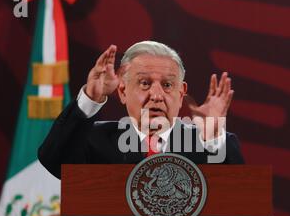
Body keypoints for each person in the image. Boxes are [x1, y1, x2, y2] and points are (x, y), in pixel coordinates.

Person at [39, 41, 244, 179]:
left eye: (167, 85)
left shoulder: (207, 142)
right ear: (122, 91)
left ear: (181, 94)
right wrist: (91, 98)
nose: (156, 95)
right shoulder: (93, 139)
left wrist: (213, 140)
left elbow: (240, 195)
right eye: (145, 83)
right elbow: (55, 161)